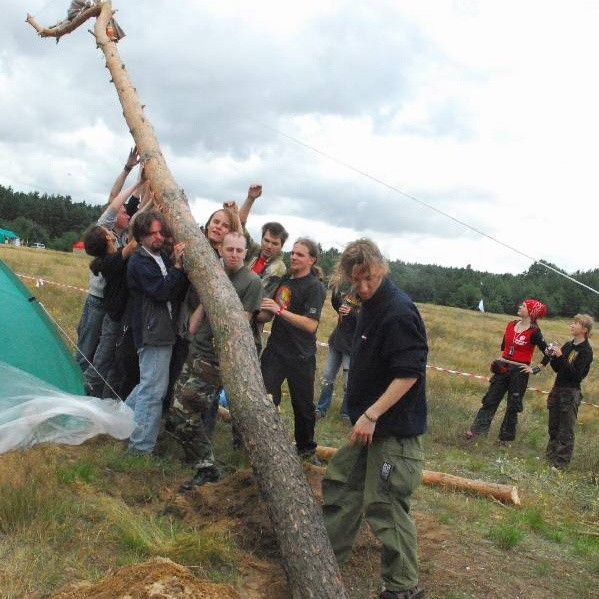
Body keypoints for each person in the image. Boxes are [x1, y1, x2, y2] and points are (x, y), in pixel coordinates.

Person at [321, 239, 428, 599]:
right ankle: (323, 560)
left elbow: (409, 373)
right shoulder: (366, 305)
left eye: (369, 278)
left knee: (385, 503)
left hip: (391, 431)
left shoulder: (398, 312)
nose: (363, 287)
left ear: (382, 268)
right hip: (366, 426)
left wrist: (371, 414)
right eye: (356, 280)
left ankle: (403, 588)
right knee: (342, 483)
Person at [172, 231, 263, 491]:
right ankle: (200, 461)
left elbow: (238, 327)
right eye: (230, 249)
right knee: (178, 411)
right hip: (196, 350)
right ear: (220, 250)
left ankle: (207, 467)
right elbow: (192, 326)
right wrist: (208, 292)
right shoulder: (213, 274)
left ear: (246, 252)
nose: (234, 254)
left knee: (185, 408)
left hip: (216, 359)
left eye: (239, 250)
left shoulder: (252, 282)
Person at [125, 211, 186, 455]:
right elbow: (161, 291)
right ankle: (140, 448)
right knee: (153, 391)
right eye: (153, 233)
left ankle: (121, 425)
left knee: (147, 385)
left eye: (162, 232)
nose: (159, 237)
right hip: (152, 332)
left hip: (160, 330)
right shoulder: (140, 260)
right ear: (141, 236)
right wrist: (179, 267)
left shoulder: (158, 256)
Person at [258, 238, 326, 460]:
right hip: (276, 351)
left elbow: (310, 324)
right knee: (266, 397)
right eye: (293, 253)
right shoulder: (285, 280)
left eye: (300, 254)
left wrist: (279, 311)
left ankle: (306, 451)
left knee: (303, 406)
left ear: (311, 259)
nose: (294, 257)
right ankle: (264, 445)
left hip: (301, 355)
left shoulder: (314, 287)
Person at [74, 147, 140, 372]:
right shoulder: (104, 230)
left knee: (102, 350)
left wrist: (143, 178)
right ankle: (76, 383)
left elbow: (135, 204)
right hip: (97, 300)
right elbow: (114, 199)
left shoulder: (122, 233)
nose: (127, 213)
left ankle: (90, 385)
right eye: (123, 211)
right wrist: (128, 169)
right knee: (87, 346)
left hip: (111, 303)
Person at [465, 298, 550, 445]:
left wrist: (535, 369)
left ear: (531, 312)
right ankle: (477, 432)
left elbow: (548, 352)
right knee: (490, 399)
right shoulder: (511, 324)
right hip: (503, 368)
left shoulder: (535, 332)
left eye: (523, 306)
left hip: (520, 371)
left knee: (513, 405)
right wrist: (501, 359)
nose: (520, 307)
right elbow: (504, 344)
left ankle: (504, 439)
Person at [545, 314, 593, 470]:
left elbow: (577, 375)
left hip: (570, 392)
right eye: (572, 322)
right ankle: (550, 457)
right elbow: (558, 369)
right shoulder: (568, 345)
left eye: (576, 323)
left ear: (584, 330)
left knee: (566, 429)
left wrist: (562, 357)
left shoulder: (586, 351)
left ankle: (561, 463)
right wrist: (552, 356)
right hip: (557, 388)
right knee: (553, 426)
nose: (571, 325)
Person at [314, 285, 361, 420]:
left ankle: (346, 412)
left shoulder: (370, 300)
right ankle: (321, 408)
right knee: (328, 377)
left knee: (348, 382)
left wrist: (351, 313)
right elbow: (338, 306)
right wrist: (335, 289)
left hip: (352, 347)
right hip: (336, 342)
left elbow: (366, 322)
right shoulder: (351, 293)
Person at [237, 184, 289, 298]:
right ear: (261, 239)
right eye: (266, 240)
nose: (269, 246)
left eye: (275, 243)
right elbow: (239, 227)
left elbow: (257, 295)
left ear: (282, 246)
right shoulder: (255, 250)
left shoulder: (278, 267)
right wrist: (250, 199)